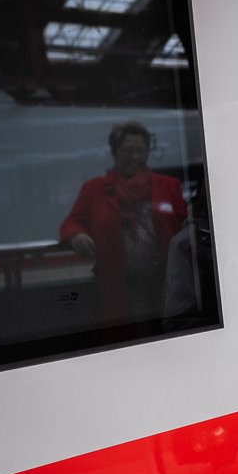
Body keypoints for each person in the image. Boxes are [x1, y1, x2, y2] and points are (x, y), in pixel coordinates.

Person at [60, 121, 188, 323]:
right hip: (119, 286)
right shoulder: (94, 189)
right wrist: (77, 235)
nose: (135, 156)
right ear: (114, 152)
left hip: (165, 283)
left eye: (141, 150)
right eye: (128, 150)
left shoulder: (169, 186)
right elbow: (71, 222)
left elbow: (185, 225)